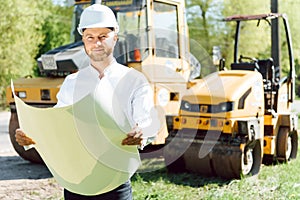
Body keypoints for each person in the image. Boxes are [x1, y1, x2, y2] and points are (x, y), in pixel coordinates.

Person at [15, 4, 158, 200]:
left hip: (114, 181)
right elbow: (58, 124)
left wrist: (142, 133)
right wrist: (31, 137)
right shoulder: (72, 83)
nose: (96, 43)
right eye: (90, 37)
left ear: (115, 37)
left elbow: (147, 122)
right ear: (83, 40)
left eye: (102, 37)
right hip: (76, 181)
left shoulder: (134, 80)